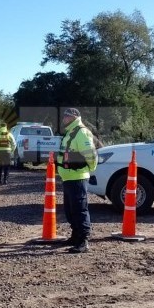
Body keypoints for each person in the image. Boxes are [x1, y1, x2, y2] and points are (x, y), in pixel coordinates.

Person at [56, 108, 98, 253]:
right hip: (69, 177)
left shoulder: (81, 132)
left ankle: (83, 241)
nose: (64, 119)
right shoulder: (70, 132)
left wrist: (91, 168)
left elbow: (90, 154)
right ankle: (75, 236)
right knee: (70, 209)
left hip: (78, 177)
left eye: (66, 116)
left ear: (74, 117)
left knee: (80, 210)